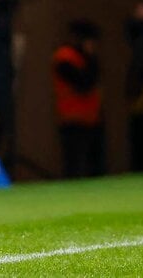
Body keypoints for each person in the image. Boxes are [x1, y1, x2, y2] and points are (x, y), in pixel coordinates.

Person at [52, 20, 105, 178]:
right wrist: (91, 59)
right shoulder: (64, 57)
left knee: (96, 165)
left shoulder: (83, 57)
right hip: (72, 118)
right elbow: (84, 83)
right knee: (74, 165)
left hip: (92, 118)